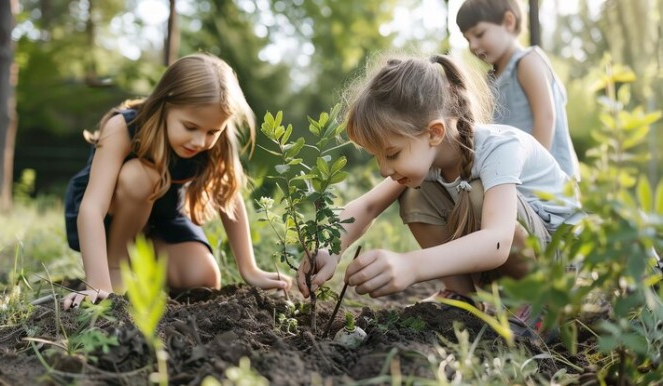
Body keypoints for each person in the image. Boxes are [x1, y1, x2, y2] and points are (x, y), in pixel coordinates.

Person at [296, 54, 581, 335]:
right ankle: (463, 298)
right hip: (517, 259)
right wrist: (331, 248)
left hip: (559, 266)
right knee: (412, 192)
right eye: (377, 157)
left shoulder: (500, 149)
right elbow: (369, 206)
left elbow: (497, 241)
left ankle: (544, 305)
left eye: (392, 153)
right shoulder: (429, 159)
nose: (384, 169)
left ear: (434, 132)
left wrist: (411, 265)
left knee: (477, 195)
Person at [63, 53, 291, 311]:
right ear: (167, 104)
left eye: (211, 132)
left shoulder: (215, 136)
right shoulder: (124, 127)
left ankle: (143, 266)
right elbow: (93, 208)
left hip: (162, 217)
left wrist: (249, 269)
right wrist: (97, 283)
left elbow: (229, 194)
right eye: (190, 127)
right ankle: (116, 266)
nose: (200, 141)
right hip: (109, 216)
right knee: (139, 176)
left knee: (201, 280)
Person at [456, 0, 580, 180]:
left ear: (508, 21)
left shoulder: (527, 62)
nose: (473, 45)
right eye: (467, 39)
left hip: (546, 179)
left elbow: (546, 117)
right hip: (514, 175)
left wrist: (534, 171)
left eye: (479, 34)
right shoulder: (491, 80)